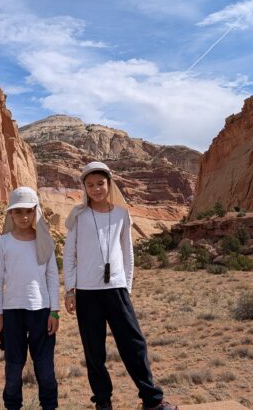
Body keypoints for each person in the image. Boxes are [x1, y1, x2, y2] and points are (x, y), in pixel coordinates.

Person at [64, 161, 178, 410]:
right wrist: (70, 290)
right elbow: (69, 253)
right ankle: (103, 402)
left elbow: (128, 253)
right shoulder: (78, 216)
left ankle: (152, 400)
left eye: (100, 184)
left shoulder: (121, 214)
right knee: (94, 351)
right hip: (87, 292)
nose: (96, 189)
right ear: (84, 187)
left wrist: (126, 286)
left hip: (116, 289)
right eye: (90, 185)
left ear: (109, 184)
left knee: (134, 344)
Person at [0, 186, 60, 410]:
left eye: (28, 211)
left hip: (41, 312)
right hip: (12, 313)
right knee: (13, 371)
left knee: (45, 371)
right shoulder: (4, 242)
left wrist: (54, 311)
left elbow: (52, 278)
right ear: (10, 214)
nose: (23, 217)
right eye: (18, 212)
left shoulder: (45, 241)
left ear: (35, 212)